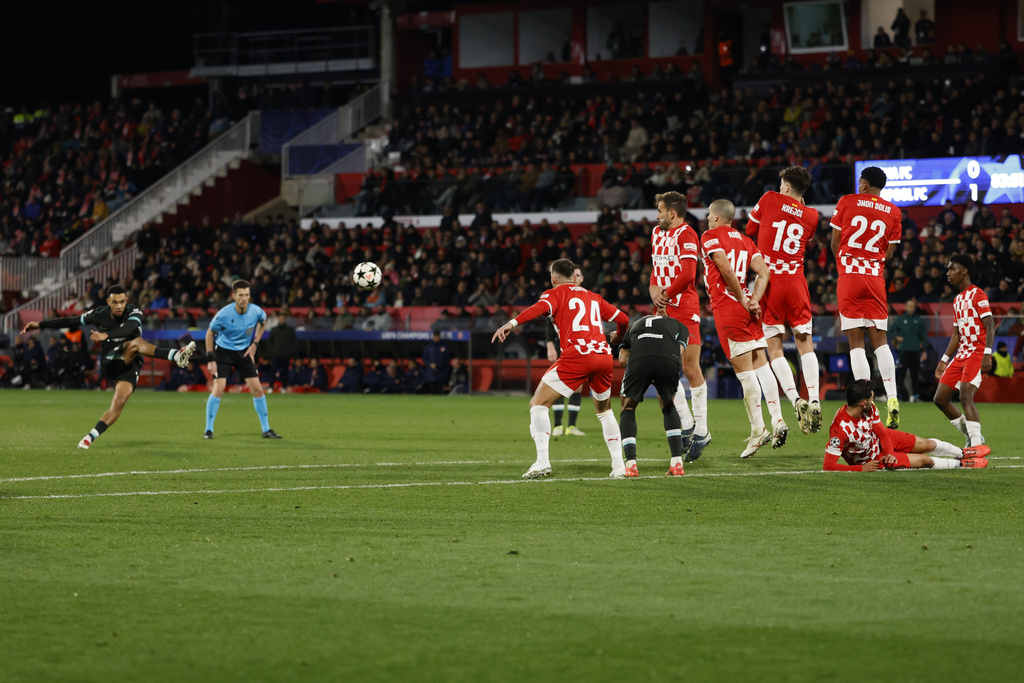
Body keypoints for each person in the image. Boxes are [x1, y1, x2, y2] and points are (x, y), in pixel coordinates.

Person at [492, 258, 629, 479]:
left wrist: (511, 323)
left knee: (538, 404)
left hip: (577, 355)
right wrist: (619, 337)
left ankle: (542, 462)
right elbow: (623, 319)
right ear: (574, 277)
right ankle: (619, 466)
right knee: (605, 412)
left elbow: (539, 308)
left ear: (553, 279)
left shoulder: (554, 294)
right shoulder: (594, 297)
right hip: (603, 356)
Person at [21, 285, 197, 449]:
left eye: (122, 301)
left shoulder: (134, 311)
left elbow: (128, 329)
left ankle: (89, 437)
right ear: (108, 302)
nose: (119, 306)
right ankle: (175, 355)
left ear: (126, 300)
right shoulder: (99, 314)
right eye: (115, 302)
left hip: (130, 363)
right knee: (137, 342)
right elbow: (72, 320)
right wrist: (40, 325)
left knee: (119, 402)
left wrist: (106, 334)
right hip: (110, 361)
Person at [700, 199, 788, 458]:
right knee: (761, 363)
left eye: (709, 214)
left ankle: (758, 429)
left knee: (745, 373)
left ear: (717, 217)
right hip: (750, 308)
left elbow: (725, 267)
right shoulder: (746, 241)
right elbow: (764, 272)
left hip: (729, 307)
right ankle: (778, 419)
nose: (707, 218)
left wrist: (741, 299)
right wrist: (754, 300)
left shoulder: (710, 236)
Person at [745, 167, 822, 433]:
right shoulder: (812, 215)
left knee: (774, 345)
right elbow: (805, 239)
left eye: (781, 184)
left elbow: (750, 228)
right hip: (796, 282)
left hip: (771, 281)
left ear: (787, 187)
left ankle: (794, 398)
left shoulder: (769, 198)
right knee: (805, 342)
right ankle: (814, 398)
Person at [830, 166, 903, 428]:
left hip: (850, 276)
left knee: (856, 344)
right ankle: (892, 397)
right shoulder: (894, 212)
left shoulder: (847, 201)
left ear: (863, 184)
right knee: (881, 342)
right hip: (874, 278)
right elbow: (890, 254)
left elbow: (835, 242)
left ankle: (865, 403)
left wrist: (845, 267)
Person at [648, 191, 711, 461]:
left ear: (672, 212)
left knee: (689, 368)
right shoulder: (656, 233)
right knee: (662, 369)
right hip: (661, 307)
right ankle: (687, 424)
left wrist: (664, 294)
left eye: (660, 210)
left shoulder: (687, 235)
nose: (657, 216)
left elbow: (687, 274)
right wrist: (653, 289)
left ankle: (702, 431)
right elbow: (656, 268)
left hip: (684, 308)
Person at [824, 379, 989, 471]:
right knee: (925, 460)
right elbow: (828, 466)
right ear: (863, 402)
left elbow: (883, 434)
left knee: (928, 444)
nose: (873, 401)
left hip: (882, 441)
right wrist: (862, 469)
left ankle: (963, 453)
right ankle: (962, 464)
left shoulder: (869, 408)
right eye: (871, 398)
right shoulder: (840, 430)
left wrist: (890, 453)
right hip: (873, 460)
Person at [204, 280, 281, 440]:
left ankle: (266, 430)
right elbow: (210, 333)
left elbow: (263, 323)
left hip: (244, 352)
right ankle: (208, 430)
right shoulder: (224, 314)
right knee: (219, 389)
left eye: (246, 295)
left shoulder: (256, 311)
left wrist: (255, 344)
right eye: (240, 295)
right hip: (223, 352)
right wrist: (211, 359)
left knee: (257, 389)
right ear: (233, 296)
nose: (244, 298)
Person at [617, 310, 690, 477]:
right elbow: (679, 352)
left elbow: (622, 359)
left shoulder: (635, 325)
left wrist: (639, 371)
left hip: (639, 361)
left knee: (628, 407)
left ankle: (631, 465)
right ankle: (677, 463)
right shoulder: (680, 326)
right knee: (668, 404)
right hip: (668, 360)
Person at [933, 255, 994, 447]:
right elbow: (957, 334)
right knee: (940, 399)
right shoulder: (957, 300)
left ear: (964, 271)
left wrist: (987, 354)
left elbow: (990, 325)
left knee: (966, 395)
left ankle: (976, 445)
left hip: (977, 352)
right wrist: (944, 360)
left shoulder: (978, 294)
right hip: (961, 354)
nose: (948, 273)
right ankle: (971, 435)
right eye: (948, 269)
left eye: (952, 268)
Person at [546, 266, 586, 437]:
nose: (575, 277)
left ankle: (571, 426)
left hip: (580, 346)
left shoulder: (586, 296)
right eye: (573, 274)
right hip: (561, 345)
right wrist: (550, 345)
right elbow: (549, 322)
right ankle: (557, 425)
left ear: (581, 278)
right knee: (558, 383)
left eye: (578, 275)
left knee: (578, 386)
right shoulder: (560, 295)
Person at [890, 299, 928, 402]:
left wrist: (924, 350)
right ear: (906, 307)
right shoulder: (900, 319)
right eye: (910, 306)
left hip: (915, 350)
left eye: (913, 307)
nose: (912, 309)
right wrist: (896, 337)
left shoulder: (919, 320)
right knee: (901, 374)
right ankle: (899, 396)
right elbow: (889, 331)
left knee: (915, 374)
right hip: (904, 351)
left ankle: (915, 396)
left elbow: (923, 336)